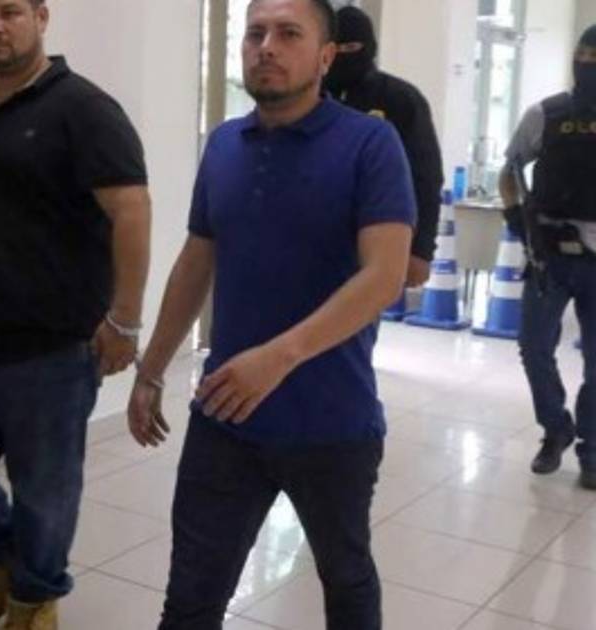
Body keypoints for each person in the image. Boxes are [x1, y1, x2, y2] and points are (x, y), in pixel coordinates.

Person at [128, 0, 414, 628]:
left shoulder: (371, 143)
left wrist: (280, 356)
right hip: (226, 417)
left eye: (288, 33)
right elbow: (196, 262)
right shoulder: (224, 144)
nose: (267, 47)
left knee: (346, 580)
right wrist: (151, 369)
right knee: (191, 598)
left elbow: (384, 275)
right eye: (255, 33)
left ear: (326, 55)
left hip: (331, 421)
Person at [0, 0, 151, 627]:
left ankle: (35, 598)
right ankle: (1, 562)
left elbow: (131, 209)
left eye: (9, 11)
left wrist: (124, 319)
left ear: (41, 17)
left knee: (44, 486)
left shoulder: (84, 110)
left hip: (50, 348)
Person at [500, 25, 596, 490]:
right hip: (549, 256)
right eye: (585, 56)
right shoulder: (547, 114)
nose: (588, 66)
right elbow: (510, 170)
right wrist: (516, 220)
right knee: (533, 346)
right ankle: (556, 428)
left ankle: (592, 450)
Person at [326, 5, 444, 288]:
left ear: (369, 48)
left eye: (351, 48)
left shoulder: (399, 99)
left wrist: (421, 250)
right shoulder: (311, 98)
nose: (343, 56)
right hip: (314, 239)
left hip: (377, 238)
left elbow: (425, 176)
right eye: (336, 49)